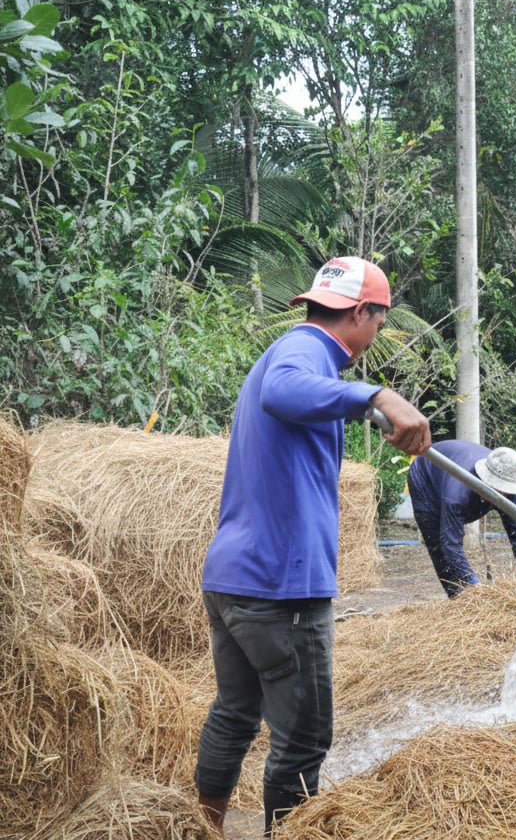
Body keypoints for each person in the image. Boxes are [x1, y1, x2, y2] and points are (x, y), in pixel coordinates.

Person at [194, 256, 431, 837]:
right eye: (379, 319)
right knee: (304, 738)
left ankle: (202, 829)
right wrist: (378, 395)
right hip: (281, 590)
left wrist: (361, 400)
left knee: (235, 715)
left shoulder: (294, 358)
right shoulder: (304, 356)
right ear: (360, 313)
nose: (377, 332)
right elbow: (284, 391)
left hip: (233, 579)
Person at [406, 440, 516, 597]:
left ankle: (468, 592)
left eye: (504, 491)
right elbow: (450, 543)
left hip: (454, 469)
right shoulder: (457, 494)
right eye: (495, 489)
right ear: (484, 479)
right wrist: (474, 585)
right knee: (438, 544)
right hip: (425, 477)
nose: (501, 495)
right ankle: (458, 598)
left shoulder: (512, 494)